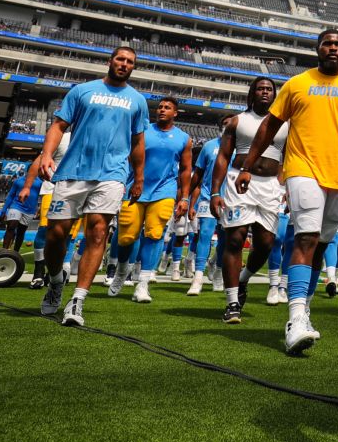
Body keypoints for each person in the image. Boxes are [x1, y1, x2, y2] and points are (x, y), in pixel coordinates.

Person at [237, 30, 338, 352]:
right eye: (327, 44)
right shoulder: (297, 84)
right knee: (305, 237)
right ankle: (294, 320)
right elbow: (269, 127)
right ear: (317, 49)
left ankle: (303, 307)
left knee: (320, 245)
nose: (333, 48)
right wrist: (247, 165)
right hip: (303, 169)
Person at [34, 47, 148, 326]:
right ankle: (57, 280)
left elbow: (137, 142)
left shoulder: (137, 101)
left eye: (130, 62)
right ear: (110, 61)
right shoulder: (82, 91)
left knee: (98, 233)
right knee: (56, 235)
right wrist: (46, 155)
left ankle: (78, 300)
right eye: (120, 59)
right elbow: (59, 126)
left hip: (112, 174)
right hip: (73, 171)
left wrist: (139, 177)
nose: (124, 64)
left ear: (133, 67)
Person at [211, 77, 290, 324]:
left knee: (267, 243)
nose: (265, 92)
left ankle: (244, 278)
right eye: (260, 89)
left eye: (269, 89)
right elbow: (223, 157)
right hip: (239, 182)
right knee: (235, 239)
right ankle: (232, 302)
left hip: (270, 187)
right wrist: (215, 192)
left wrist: (284, 184)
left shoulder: (286, 124)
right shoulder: (238, 121)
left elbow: (288, 157)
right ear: (252, 93)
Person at [111, 97, 191, 304]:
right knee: (126, 237)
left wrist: (184, 197)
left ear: (175, 113)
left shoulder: (183, 138)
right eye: (160, 107)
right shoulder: (142, 130)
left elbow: (185, 169)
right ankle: (121, 270)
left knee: (155, 234)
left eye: (168, 107)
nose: (162, 110)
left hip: (165, 190)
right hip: (135, 189)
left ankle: (143, 284)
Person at [185, 118, 233, 296]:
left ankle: (219, 272)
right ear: (220, 127)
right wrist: (186, 198)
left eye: (231, 123)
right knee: (204, 235)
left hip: (231, 200)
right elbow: (198, 173)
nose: (227, 126)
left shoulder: (241, 148)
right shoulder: (209, 146)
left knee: (225, 240)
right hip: (208, 197)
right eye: (225, 124)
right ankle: (197, 278)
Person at [19, 134, 72, 289]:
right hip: (52, 188)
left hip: (77, 192)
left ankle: (54, 273)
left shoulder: (91, 136)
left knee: (67, 234)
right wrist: (27, 186)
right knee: (44, 229)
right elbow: (40, 160)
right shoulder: (62, 137)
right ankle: (38, 271)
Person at [0, 165, 40, 252]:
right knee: (11, 226)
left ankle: (16, 252)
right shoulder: (18, 181)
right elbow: (11, 195)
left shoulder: (40, 183)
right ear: (29, 171)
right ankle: (4, 251)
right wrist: (4, 210)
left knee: (21, 232)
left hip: (30, 210)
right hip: (16, 206)